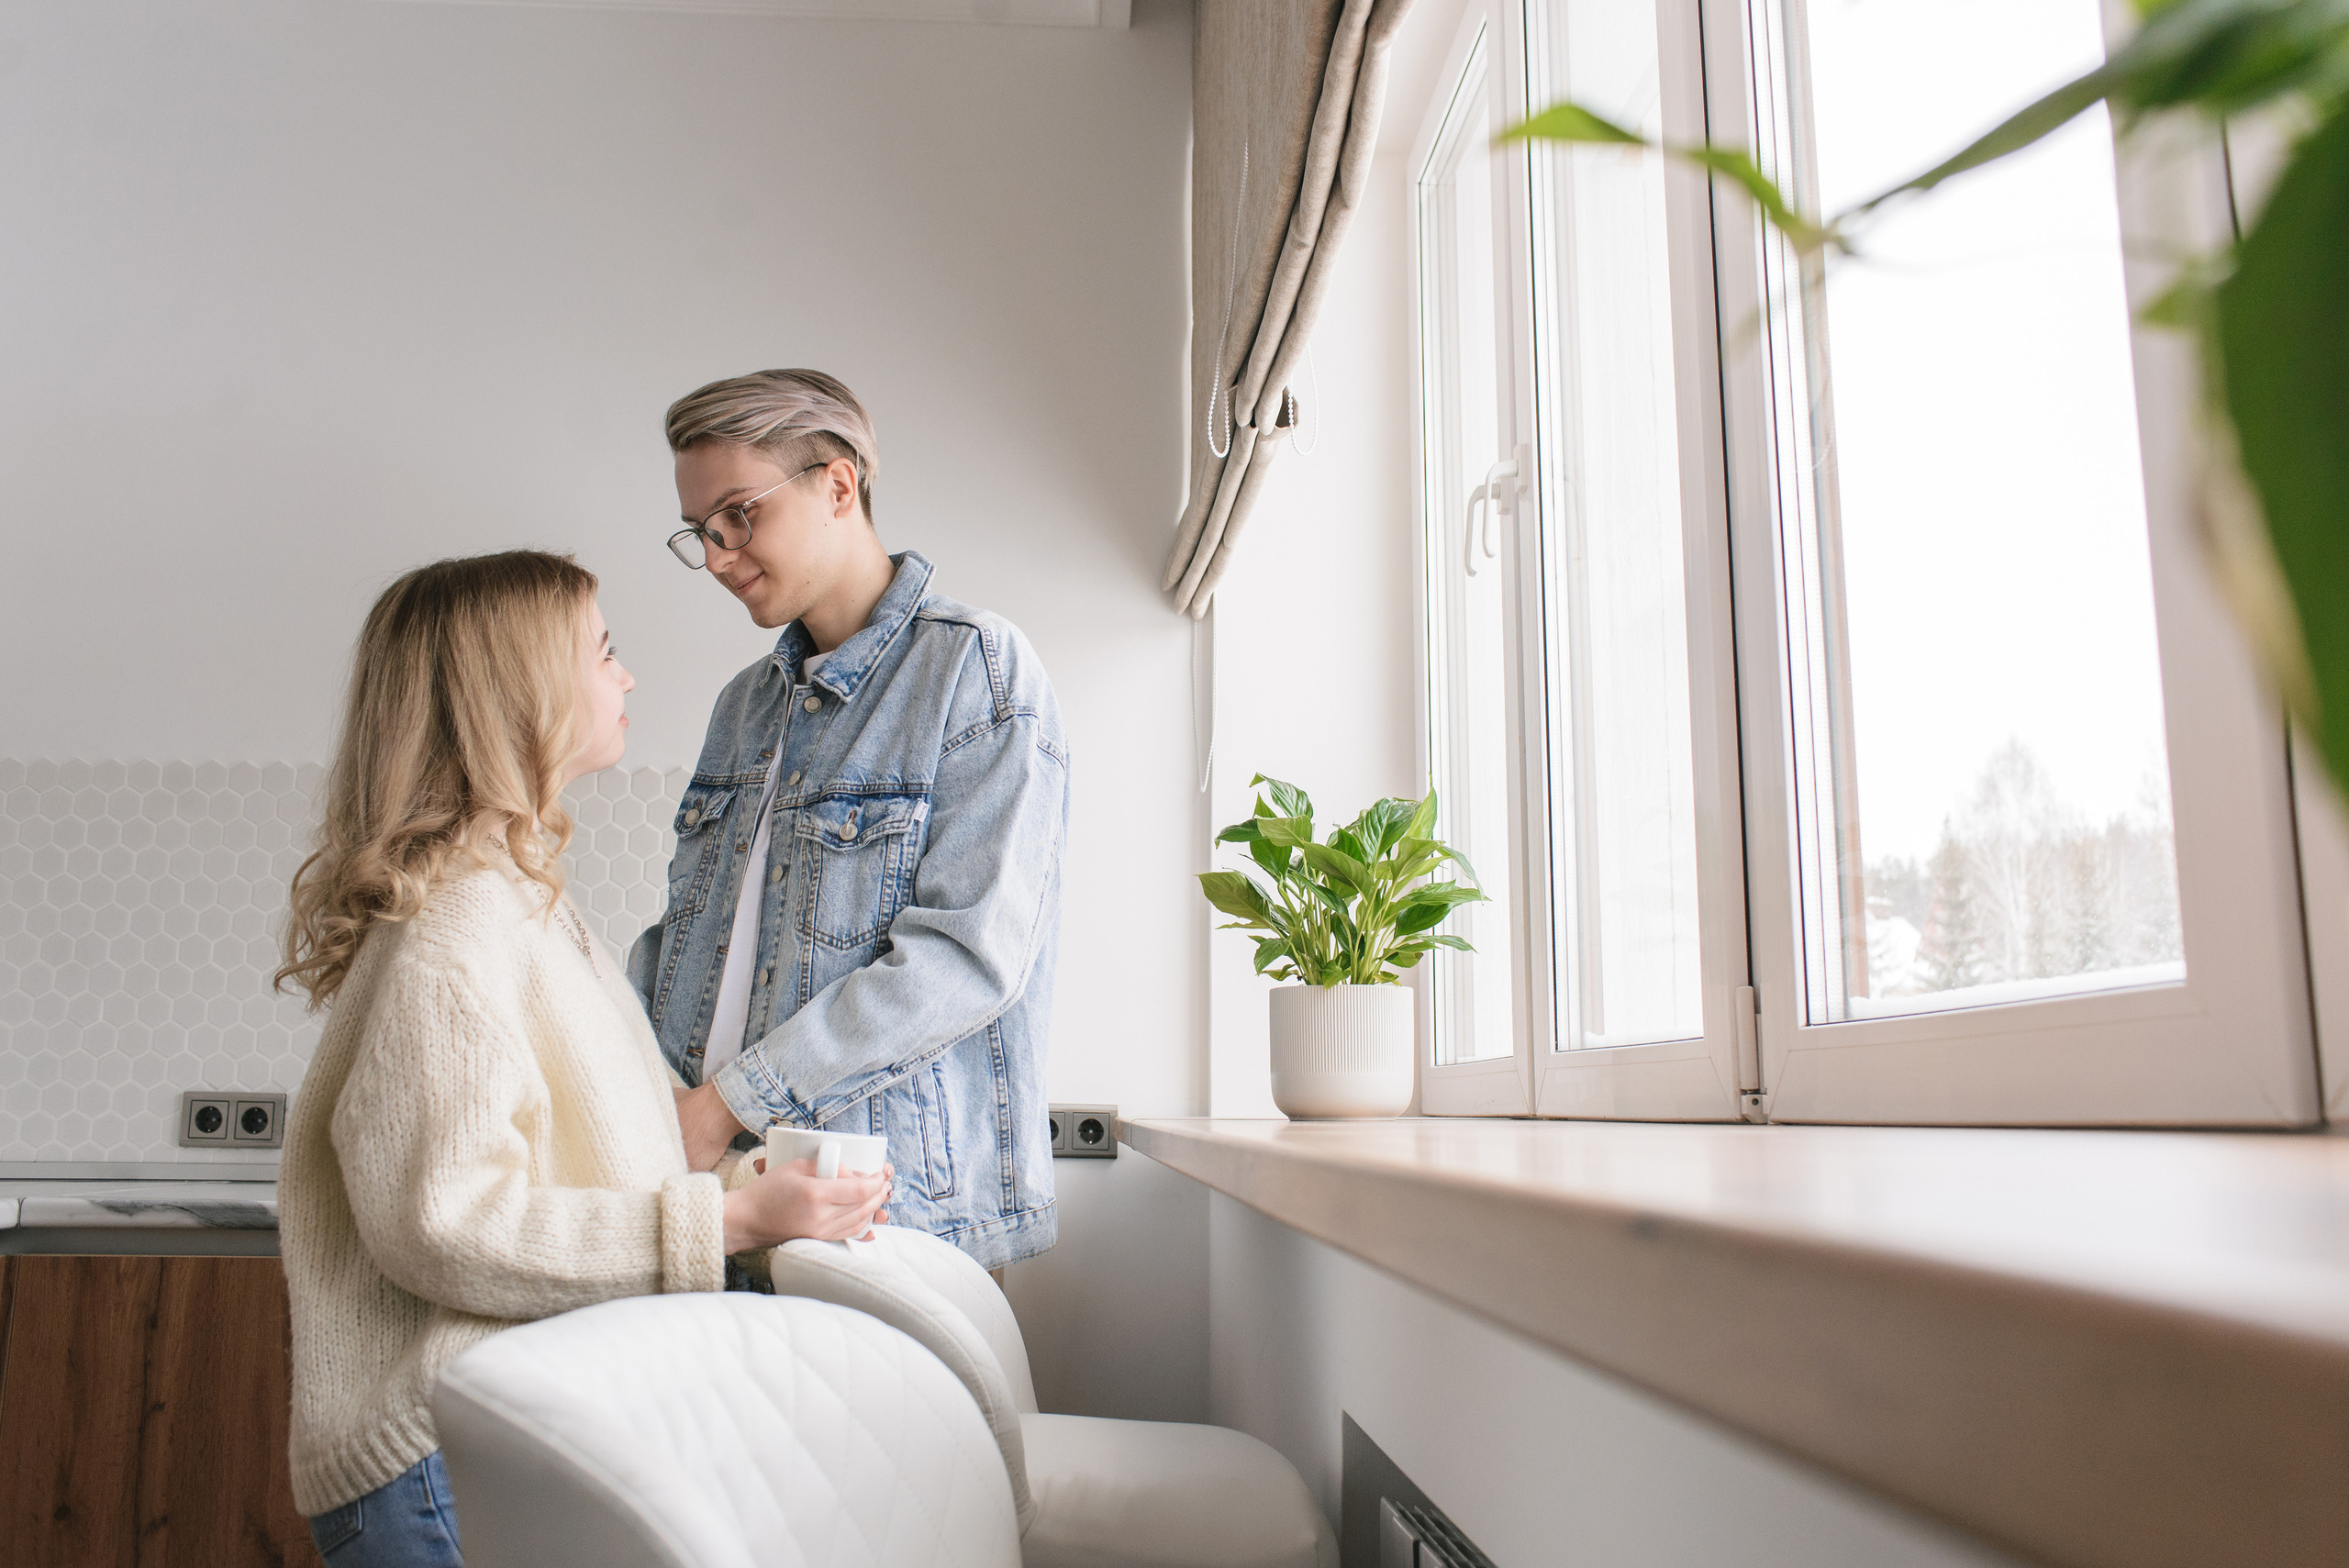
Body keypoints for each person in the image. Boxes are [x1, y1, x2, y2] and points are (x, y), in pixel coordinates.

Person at [275, 550, 892, 1566]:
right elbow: (448, 1223)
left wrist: (757, 1186)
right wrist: (730, 1221)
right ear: (521, 694)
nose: (627, 675)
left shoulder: (525, 904)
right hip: (443, 1459)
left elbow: (605, 1161)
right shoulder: (459, 928)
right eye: (603, 651)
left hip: (482, 1446)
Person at [637, 369, 1066, 1272]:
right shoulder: (742, 707)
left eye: (737, 515)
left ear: (837, 484)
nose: (717, 555)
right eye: (701, 531)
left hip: (887, 1222)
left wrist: (724, 1104)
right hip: (717, 1200)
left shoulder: (976, 670)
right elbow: (682, 943)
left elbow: (964, 958)